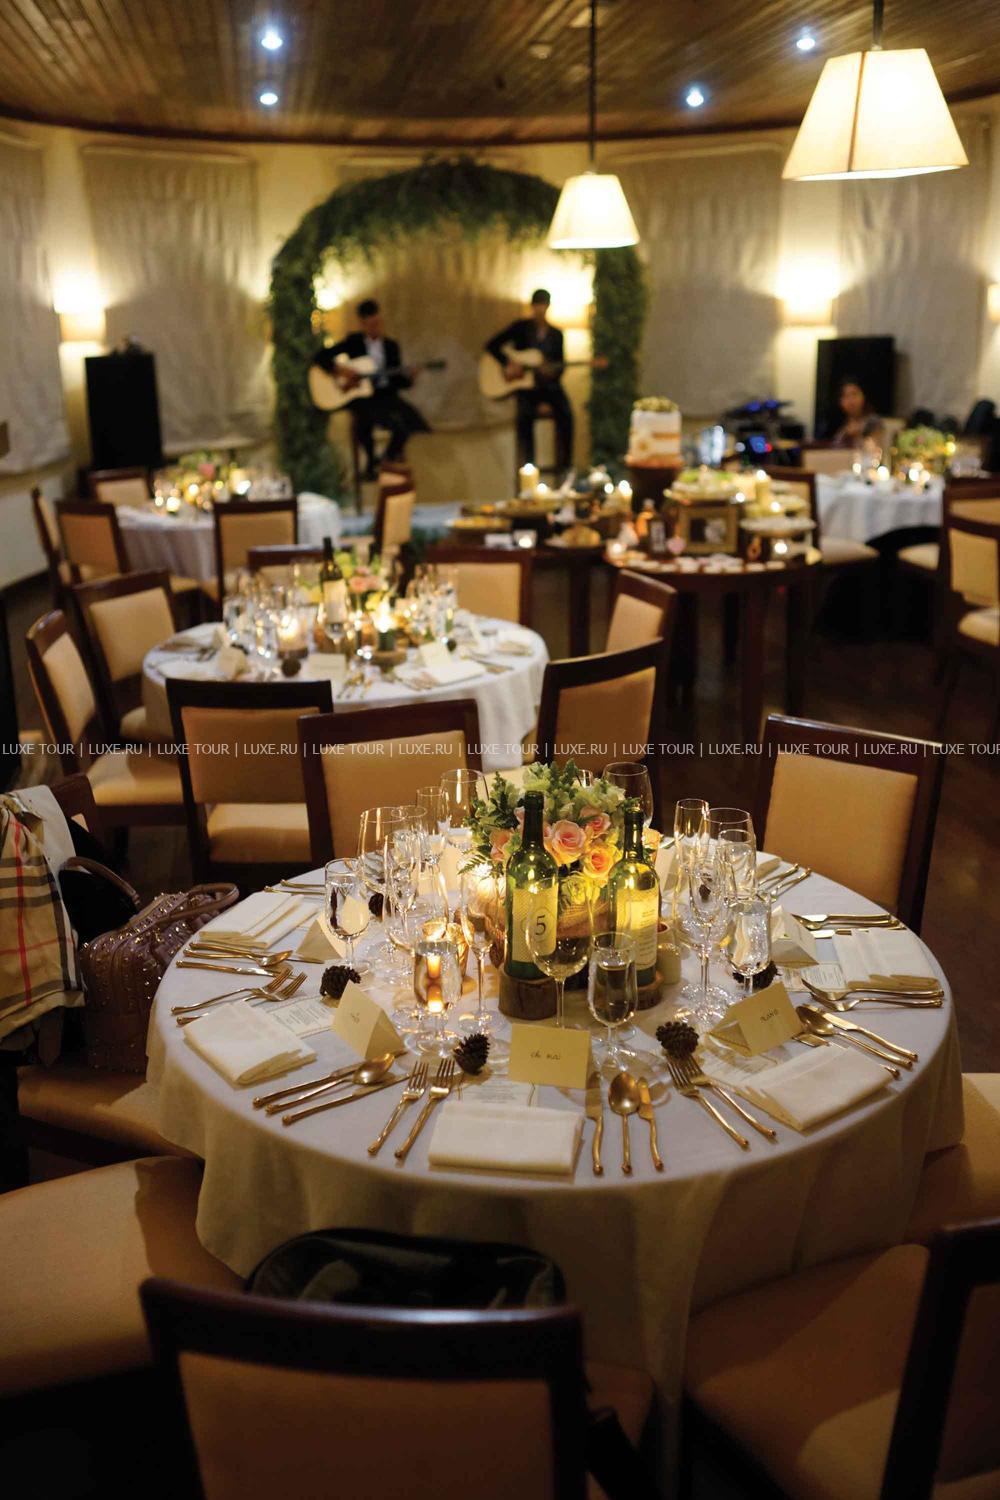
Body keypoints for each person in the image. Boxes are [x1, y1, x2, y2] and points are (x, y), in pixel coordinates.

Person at [318, 299, 430, 480]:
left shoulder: (391, 346)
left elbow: (398, 381)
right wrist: (341, 370)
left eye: (377, 323)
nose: (375, 327)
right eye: (370, 324)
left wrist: (410, 378)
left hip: (387, 396)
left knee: (412, 422)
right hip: (364, 398)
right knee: (364, 421)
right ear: (362, 324)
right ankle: (371, 462)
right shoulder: (354, 342)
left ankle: (386, 460)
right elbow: (321, 356)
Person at [485, 289, 574, 475]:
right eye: (537, 305)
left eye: (543, 305)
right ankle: (529, 468)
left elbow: (560, 366)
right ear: (532, 307)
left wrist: (550, 373)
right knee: (525, 417)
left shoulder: (556, 334)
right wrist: (509, 363)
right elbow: (492, 345)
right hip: (527, 389)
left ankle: (565, 467)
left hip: (549, 387)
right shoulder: (520, 328)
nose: (540, 309)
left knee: (566, 414)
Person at [830, 376, 887, 450]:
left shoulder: (873, 422)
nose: (851, 401)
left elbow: (877, 448)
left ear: (863, 396)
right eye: (846, 396)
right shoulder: (838, 424)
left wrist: (859, 434)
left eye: (854, 394)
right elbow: (834, 450)